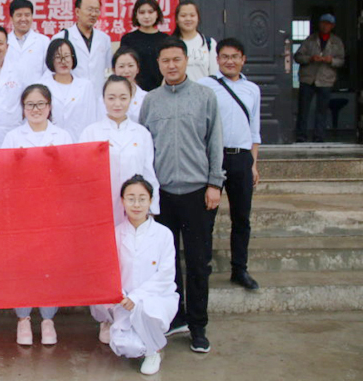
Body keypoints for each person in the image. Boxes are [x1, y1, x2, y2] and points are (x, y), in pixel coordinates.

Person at [139, 37, 224, 354]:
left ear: (186, 60)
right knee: (167, 262)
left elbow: (215, 141)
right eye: (165, 60)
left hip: (197, 192)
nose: (171, 65)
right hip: (162, 195)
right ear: (158, 64)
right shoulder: (151, 101)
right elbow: (144, 147)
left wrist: (215, 183)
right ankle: (176, 317)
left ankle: (198, 325)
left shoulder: (205, 96)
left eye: (177, 59)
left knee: (199, 262)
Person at [2, 84, 71, 346]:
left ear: (50, 107)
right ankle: (23, 318)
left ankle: (48, 318)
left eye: (41, 104)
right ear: (23, 109)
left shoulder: (62, 136)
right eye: (30, 104)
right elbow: (3, 175)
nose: (35, 109)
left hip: (53, 211)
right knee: (23, 266)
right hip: (22, 212)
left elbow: (71, 173)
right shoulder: (12, 137)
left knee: (49, 266)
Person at [90, 175, 178, 376]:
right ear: (122, 201)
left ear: (150, 201)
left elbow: (166, 275)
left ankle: (153, 352)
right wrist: (122, 295)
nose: (136, 204)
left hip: (155, 298)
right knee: (126, 347)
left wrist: (137, 297)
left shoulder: (163, 234)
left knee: (146, 310)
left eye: (142, 199)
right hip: (123, 300)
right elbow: (108, 271)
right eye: (131, 198)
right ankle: (142, 341)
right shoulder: (115, 234)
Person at [199, 38, 261, 291]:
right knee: (206, 216)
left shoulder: (252, 89)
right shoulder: (206, 86)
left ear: (243, 59)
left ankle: (239, 269)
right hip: (214, 157)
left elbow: (254, 129)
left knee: (241, 217)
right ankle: (202, 266)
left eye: (235, 56)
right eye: (224, 56)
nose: (230, 61)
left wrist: (253, 164)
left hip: (242, 158)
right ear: (217, 59)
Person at [80, 75, 159, 227]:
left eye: (123, 98)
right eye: (111, 98)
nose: (117, 104)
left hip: (135, 208)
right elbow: (83, 176)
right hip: (101, 207)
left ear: (131, 98)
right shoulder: (90, 133)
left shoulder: (141, 133)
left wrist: (151, 209)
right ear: (103, 99)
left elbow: (148, 173)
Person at [295, 13, 345, 143]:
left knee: (322, 110)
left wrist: (331, 60)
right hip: (308, 79)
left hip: (326, 80)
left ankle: (319, 136)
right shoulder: (310, 40)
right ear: (319, 24)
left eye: (328, 24)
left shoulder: (337, 42)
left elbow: (341, 61)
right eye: (323, 23)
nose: (325, 26)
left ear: (332, 26)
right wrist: (310, 58)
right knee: (303, 109)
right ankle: (301, 136)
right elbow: (298, 57)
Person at [36, 39, 97, 140]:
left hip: (79, 141)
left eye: (67, 56)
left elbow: (91, 119)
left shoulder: (86, 86)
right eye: (58, 57)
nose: (63, 61)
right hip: (50, 142)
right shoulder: (41, 86)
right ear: (51, 59)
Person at [52, 0, 111, 97]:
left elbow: (108, 69)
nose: (93, 14)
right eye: (90, 9)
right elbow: (52, 71)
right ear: (77, 12)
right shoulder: (61, 37)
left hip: (98, 96)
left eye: (97, 10)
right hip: (70, 96)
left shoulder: (104, 39)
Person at [119, 0, 167, 91]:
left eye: (150, 12)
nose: (146, 16)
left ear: (157, 14)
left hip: (161, 90)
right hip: (134, 90)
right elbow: (123, 65)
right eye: (142, 12)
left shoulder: (165, 39)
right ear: (136, 15)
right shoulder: (128, 39)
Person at [97, 47, 147, 123]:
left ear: (137, 68)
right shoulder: (103, 98)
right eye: (121, 66)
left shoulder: (146, 98)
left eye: (130, 65)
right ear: (114, 70)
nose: (126, 71)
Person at [172, 0, 217, 82]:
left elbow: (214, 74)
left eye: (192, 15)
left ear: (198, 18)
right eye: (183, 16)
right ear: (176, 19)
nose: (188, 19)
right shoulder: (170, 44)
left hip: (203, 89)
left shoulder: (209, 43)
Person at [7, 0, 50, 83]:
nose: (23, 19)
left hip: (37, 89)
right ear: (11, 18)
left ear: (32, 17)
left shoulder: (44, 41)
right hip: (9, 90)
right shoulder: (4, 42)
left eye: (27, 15)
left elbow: (48, 71)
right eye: (19, 15)